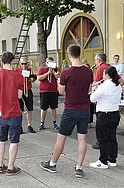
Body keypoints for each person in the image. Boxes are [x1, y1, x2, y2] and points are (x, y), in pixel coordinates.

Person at [40, 44, 93, 178]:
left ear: (69, 55)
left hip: (70, 109)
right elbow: (89, 89)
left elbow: (61, 91)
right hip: (85, 108)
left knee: (61, 138)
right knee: (82, 139)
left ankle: (52, 164)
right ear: (79, 54)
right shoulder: (88, 71)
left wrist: (60, 83)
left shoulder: (67, 72)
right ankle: (79, 168)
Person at [0, 51, 23, 175]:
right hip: (14, 112)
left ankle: (0, 164)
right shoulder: (18, 75)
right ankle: (10, 167)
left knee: (1, 139)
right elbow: (20, 96)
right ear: (12, 61)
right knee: (14, 141)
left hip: (1, 112)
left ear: (2, 61)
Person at [89, 66, 122, 169]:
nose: (102, 76)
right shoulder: (118, 85)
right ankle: (112, 159)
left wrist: (95, 89)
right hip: (114, 114)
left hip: (104, 114)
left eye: (103, 74)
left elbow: (92, 98)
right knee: (112, 137)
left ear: (107, 75)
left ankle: (103, 161)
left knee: (102, 139)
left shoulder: (104, 86)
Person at [91, 53, 124, 149]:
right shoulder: (110, 67)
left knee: (102, 132)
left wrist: (95, 88)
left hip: (103, 107)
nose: (95, 62)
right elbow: (121, 82)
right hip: (114, 109)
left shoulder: (101, 69)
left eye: (95, 60)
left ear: (99, 60)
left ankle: (101, 147)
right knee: (112, 135)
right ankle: (113, 158)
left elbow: (95, 87)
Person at [37, 57, 60, 130]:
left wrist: (53, 71)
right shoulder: (42, 69)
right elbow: (39, 78)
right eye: (48, 62)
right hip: (44, 91)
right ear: (46, 63)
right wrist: (47, 73)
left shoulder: (55, 69)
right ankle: (42, 123)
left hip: (53, 91)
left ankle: (55, 123)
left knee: (53, 108)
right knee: (44, 108)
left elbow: (58, 77)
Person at [14, 57, 36, 133]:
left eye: (25, 63)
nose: (24, 65)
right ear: (20, 63)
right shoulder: (17, 70)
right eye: (22, 63)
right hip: (20, 90)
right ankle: (19, 126)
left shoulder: (30, 70)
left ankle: (29, 125)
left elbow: (33, 80)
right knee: (20, 109)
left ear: (27, 63)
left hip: (28, 90)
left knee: (29, 108)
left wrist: (30, 72)